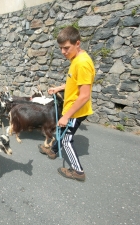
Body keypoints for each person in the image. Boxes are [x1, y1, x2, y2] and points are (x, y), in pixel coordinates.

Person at [39, 26, 95, 182]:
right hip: (71, 108)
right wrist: (59, 87)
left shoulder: (82, 63)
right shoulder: (75, 58)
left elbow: (84, 96)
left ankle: (78, 171)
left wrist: (67, 116)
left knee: (66, 139)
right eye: (61, 48)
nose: (63, 52)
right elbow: (75, 82)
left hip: (76, 111)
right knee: (62, 131)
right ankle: (53, 151)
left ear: (77, 43)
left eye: (66, 48)